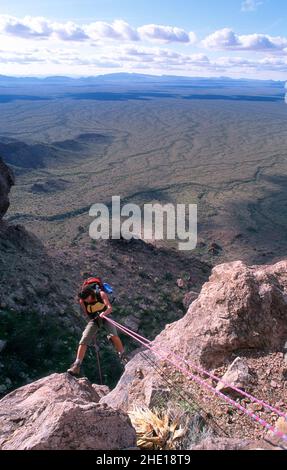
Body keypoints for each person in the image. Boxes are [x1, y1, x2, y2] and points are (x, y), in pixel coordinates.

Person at [67, 280, 125, 376]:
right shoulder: (83, 301)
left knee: (114, 335)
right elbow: (87, 314)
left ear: (91, 294)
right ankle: (76, 365)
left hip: (106, 317)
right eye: (84, 300)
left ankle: (123, 356)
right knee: (84, 338)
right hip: (95, 319)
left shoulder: (101, 294)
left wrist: (103, 313)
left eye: (87, 298)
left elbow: (109, 308)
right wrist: (94, 319)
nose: (86, 301)